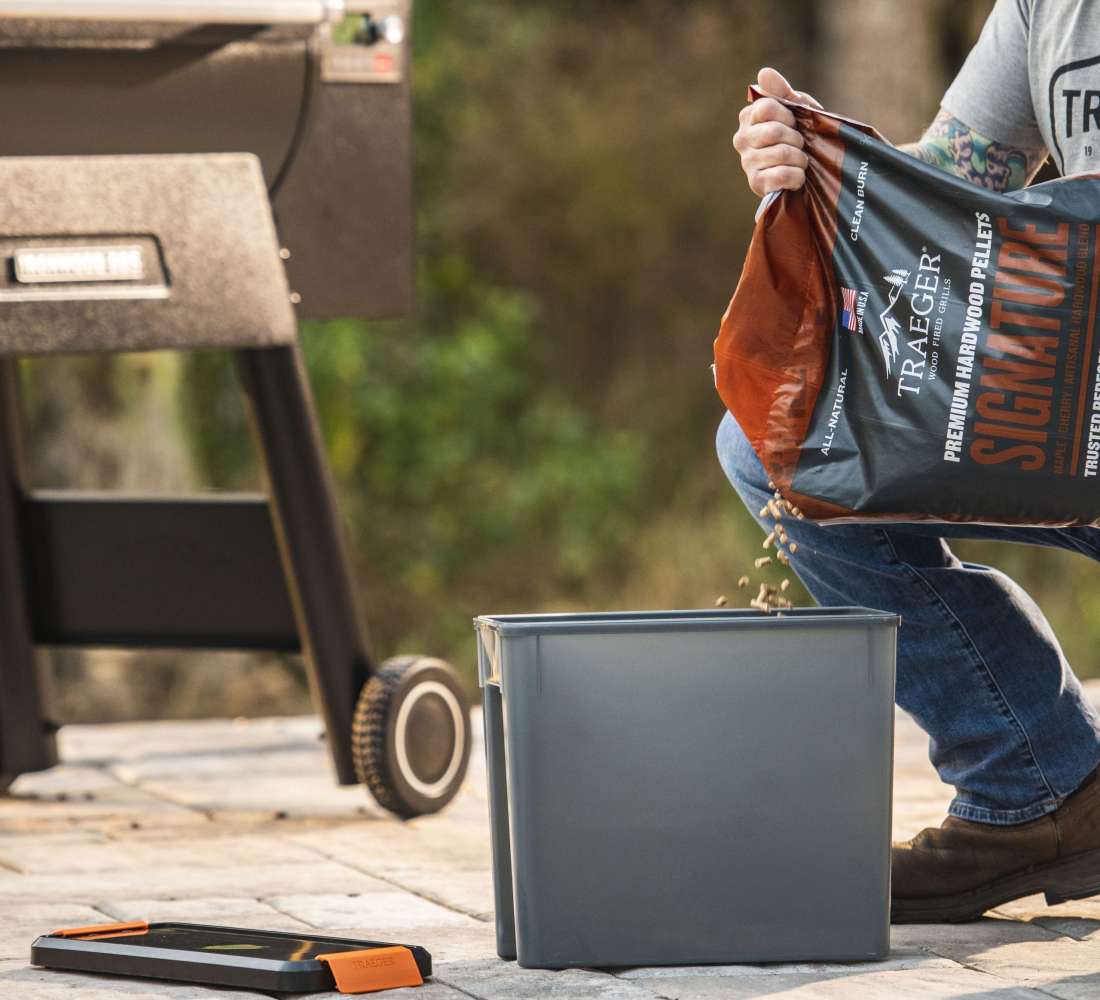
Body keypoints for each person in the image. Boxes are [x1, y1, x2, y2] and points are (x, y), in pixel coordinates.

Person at [724, 1, 1100, 925]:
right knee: (786, 442)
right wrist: (826, 169)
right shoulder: (1046, 8)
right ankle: (1040, 786)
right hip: (1076, 417)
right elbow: (944, 196)